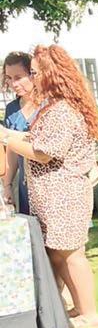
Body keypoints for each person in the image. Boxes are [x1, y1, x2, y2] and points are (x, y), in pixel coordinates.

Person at [0, 44, 98, 328]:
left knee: (72, 255)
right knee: (58, 254)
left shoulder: (62, 111)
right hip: (52, 199)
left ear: (51, 73)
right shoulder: (53, 108)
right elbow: (35, 142)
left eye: (34, 73)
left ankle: (90, 314)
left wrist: (6, 137)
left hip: (65, 196)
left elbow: (43, 152)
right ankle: (77, 308)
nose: (32, 78)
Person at [2, 52, 38, 214]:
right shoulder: (11, 109)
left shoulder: (48, 106)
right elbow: (11, 150)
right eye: (9, 78)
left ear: (32, 74)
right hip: (25, 185)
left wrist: (5, 134)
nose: (13, 84)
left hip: (50, 183)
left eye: (18, 77)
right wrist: (7, 185)